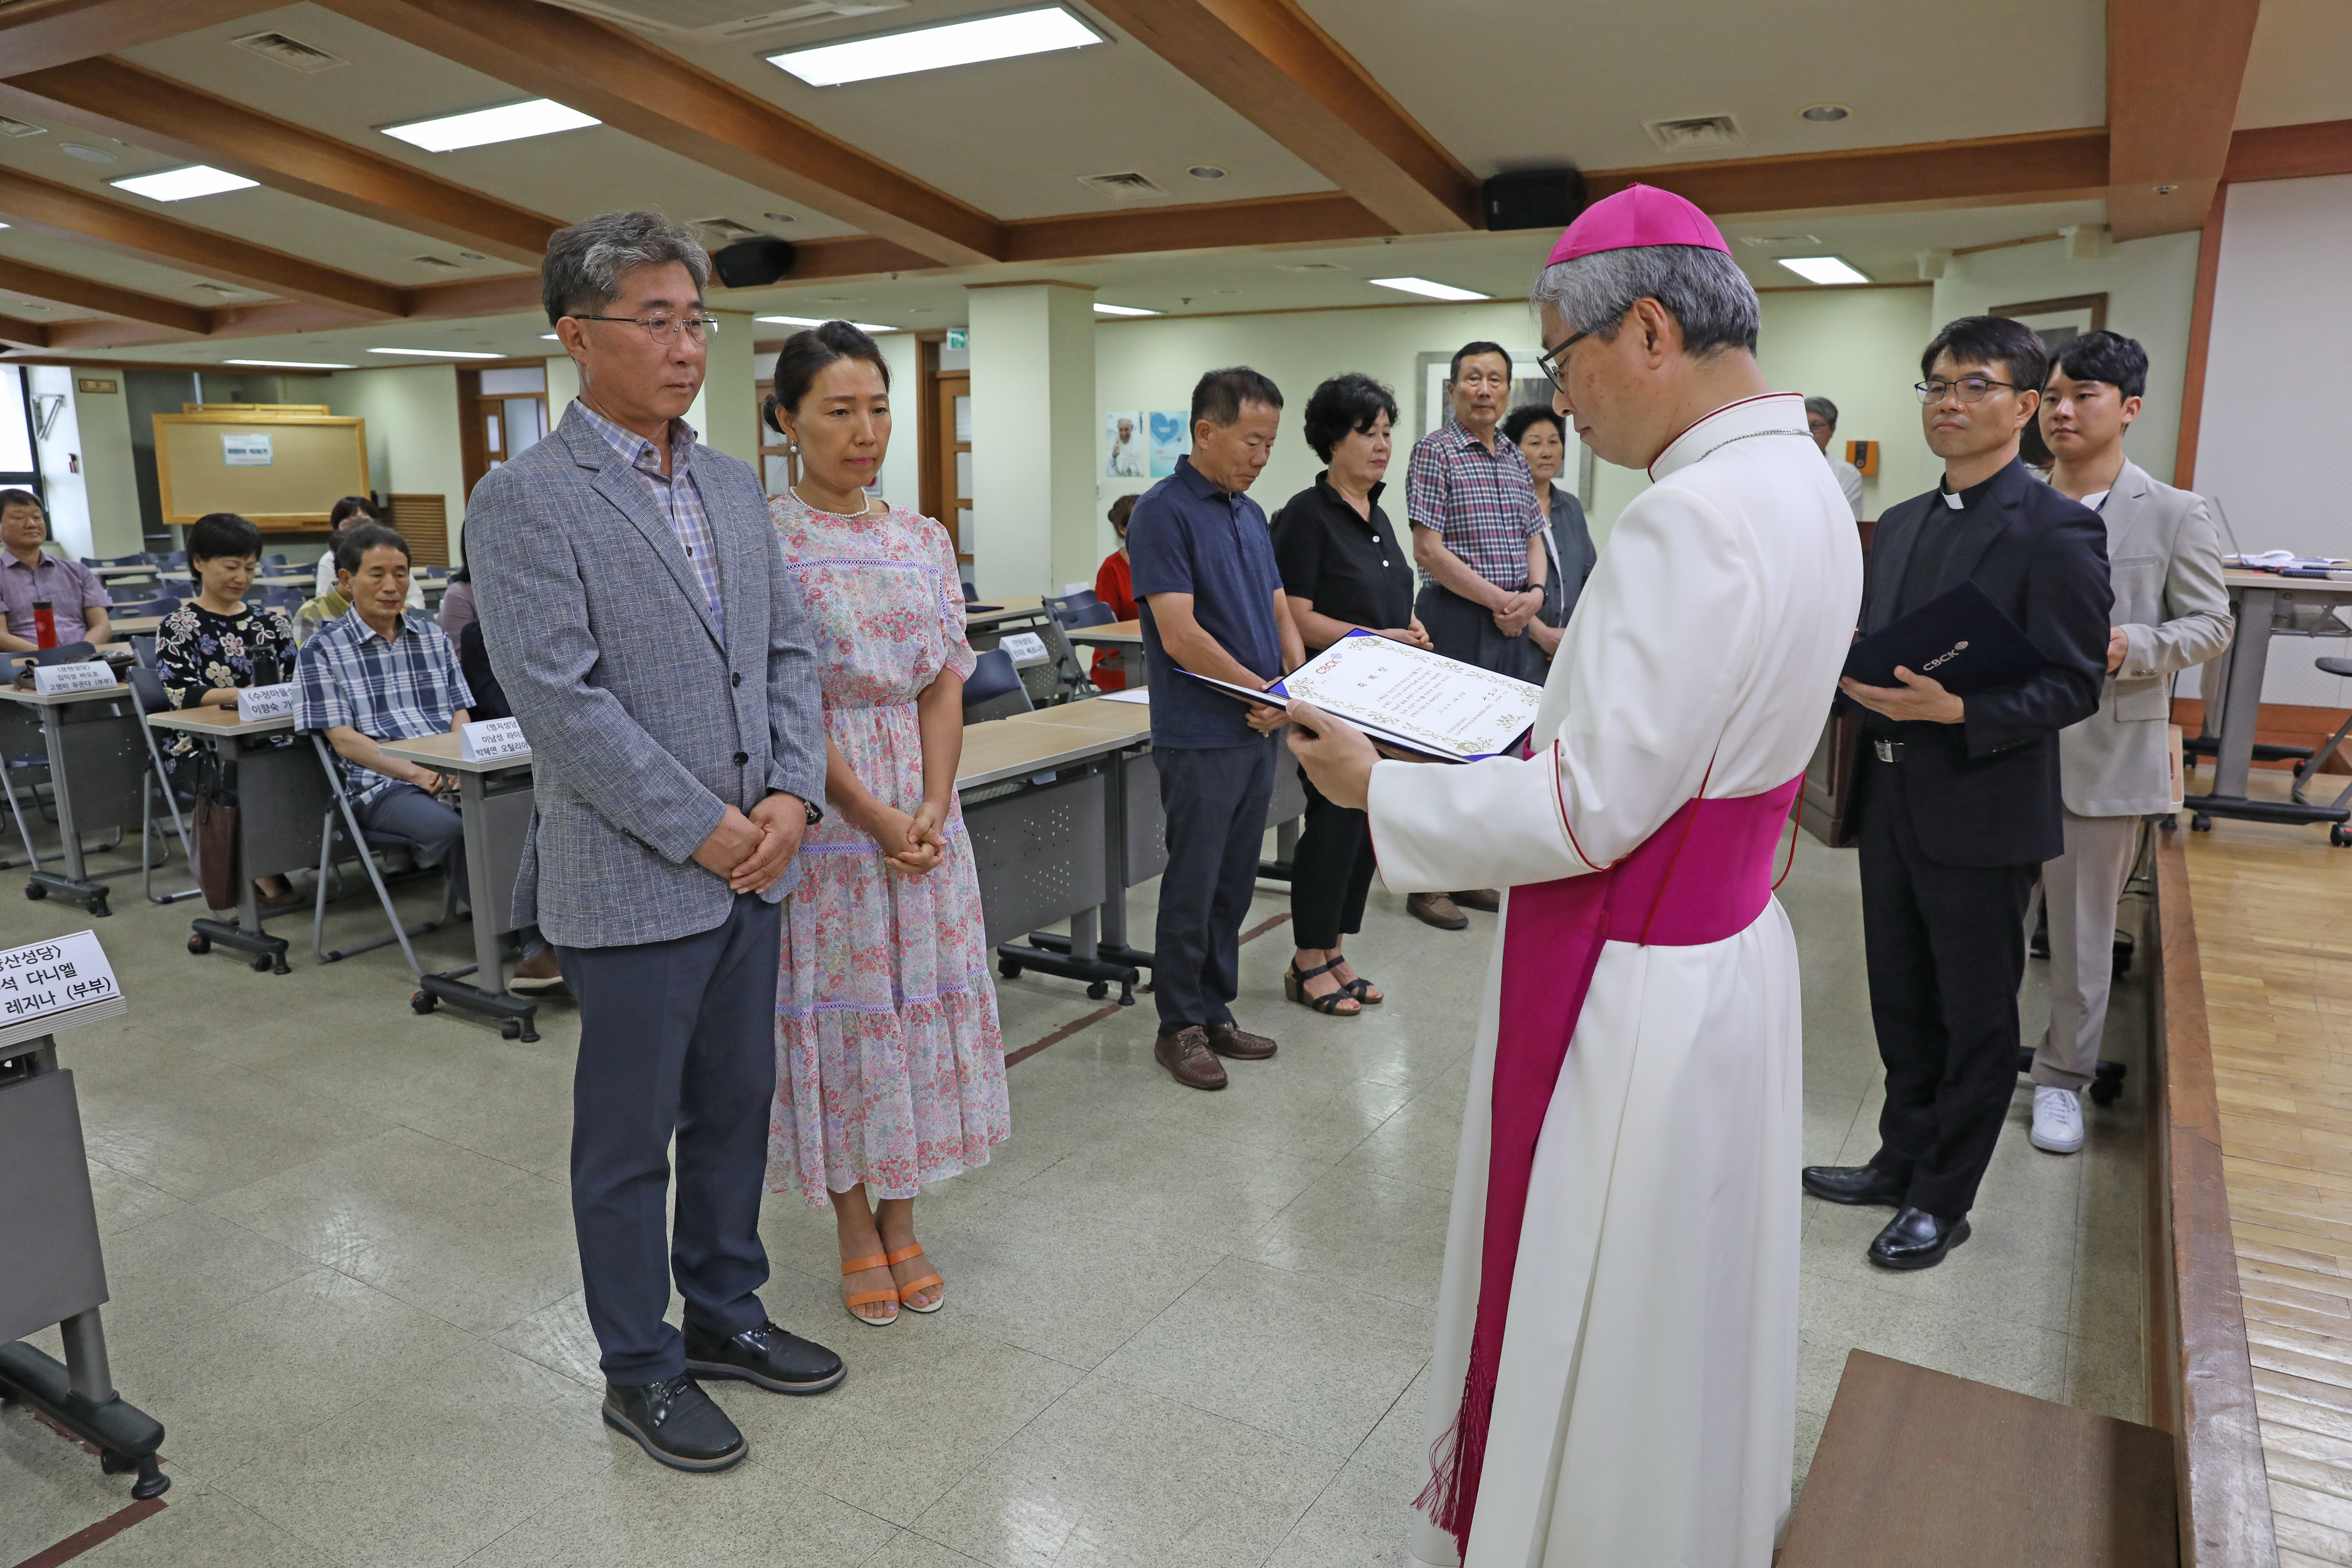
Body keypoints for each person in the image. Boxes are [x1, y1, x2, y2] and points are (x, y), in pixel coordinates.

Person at [1288, 184, 1858, 1568]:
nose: (1564, 400)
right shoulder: (1808, 486)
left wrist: (1379, 788)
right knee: (1691, 1303)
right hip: (1726, 949)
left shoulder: (1685, 519)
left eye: (1562, 359)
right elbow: (1674, 750)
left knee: (1601, 1300)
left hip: (1637, 987)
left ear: (1649, 329)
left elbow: (1593, 803)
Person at [468, 211, 842, 1473]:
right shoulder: (525, 499)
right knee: (628, 1143)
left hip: (759, 864)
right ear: (577, 337)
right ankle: (640, 1366)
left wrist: (790, 797)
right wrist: (709, 828)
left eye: (697, 320)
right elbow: (561, 703)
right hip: (633, 879)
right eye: (656, 320)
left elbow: (790, 650)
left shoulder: (736, 483)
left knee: (735, 1108)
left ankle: (725, 1312)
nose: (687, 346)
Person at [1802, 316, 2111, 1269]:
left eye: (1975, 385)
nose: (1949, 401)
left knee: (1975, 1013)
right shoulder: (1898, 524)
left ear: (2024, 407)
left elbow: (2073, 683)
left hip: (1982, 804)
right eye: (1936, 384)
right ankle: (1899, 1161)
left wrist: (1956, 711)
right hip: (1891, 800)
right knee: (1899, 997)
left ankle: (1946, 1198)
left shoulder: (2058, 528)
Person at [764, 321, 1009, 1327]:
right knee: (846, 1010)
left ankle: (905, 1216)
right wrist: (868, 814)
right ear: (787, 422)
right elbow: (785, 695)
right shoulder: (769, 539)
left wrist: (934, 805)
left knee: (918, 1008)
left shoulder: (921, 537)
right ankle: (854, 1225)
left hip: (920, 803)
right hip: (823, 808)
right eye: (839, 410)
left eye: (878, 409)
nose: (864, 432)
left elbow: (945, 681)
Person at [2027, 330, 2231, 1154]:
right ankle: (1970, 1070)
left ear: (2130, 409)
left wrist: (2132, 646)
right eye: (2050, 397)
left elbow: (2212, 622)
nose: (2063, 412)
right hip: (2003, 747)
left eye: (2083, 397)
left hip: (2105, 747)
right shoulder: (2016, 498)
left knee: (2080, 936)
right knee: (1987, 927)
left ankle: (2065, 1082)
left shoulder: (2177, 511)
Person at [294, 520, 565, 992]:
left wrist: (461, 764)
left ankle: (556, 933)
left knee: (527, 814)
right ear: (345, 581)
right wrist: (417, 774)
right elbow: (344, 741)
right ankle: (531, 945)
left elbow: (461, 715)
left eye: (401, 573)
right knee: (458, 831)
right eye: (376, 573)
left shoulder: (432, 637)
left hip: (454, 772)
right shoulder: (322, 650)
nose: (391, 585)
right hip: (378, 786)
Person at [1129, 366, 1303, 1091]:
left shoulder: (1248, 512)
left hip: (1258, 726)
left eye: (1270, 444)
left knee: (1234, 881)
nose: (1262, 457)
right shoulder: (1161, 512)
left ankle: (1215, 1006)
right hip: (1201, 730)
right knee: (1194, 881)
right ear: (1206, 431)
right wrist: (1260, 688)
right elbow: (1180, 634)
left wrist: (1295, 685)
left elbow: (1278, 607)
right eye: (1252, 441)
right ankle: (1179, 1025)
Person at [1269, 373, 1421, 1014]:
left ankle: (1334, 950)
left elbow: (1382, 599)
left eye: (1388, 432)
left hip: (1383, 695)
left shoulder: (1378, 513)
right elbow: (1297, 616)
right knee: (1332, 823)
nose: (1382, 444)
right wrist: (1374, 634)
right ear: (1334, 441)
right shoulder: (1307, 517)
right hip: (1331, 698)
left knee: (1366, 817)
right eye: (1368, 433)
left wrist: (1408, 629)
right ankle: (1306, 961)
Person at [1403, 342, 1546, 928]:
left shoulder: (1515, 457)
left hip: (1511, 619)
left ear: (1508, 390)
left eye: (1495, 379)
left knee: (1496, 755)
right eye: (1472, 379)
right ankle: (1427, 884)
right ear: (1453, 389)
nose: (1484, 389)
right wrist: (1499, 602)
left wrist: (1533, 596)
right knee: (1443, 755)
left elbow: (1534, 536)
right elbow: (1428, 550)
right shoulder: (1434, 453)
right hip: (1456, 618)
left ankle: (1470, 872)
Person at [153, 510, 302, 911]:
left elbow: (296, 681)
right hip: (203, 743)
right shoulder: (180, 626)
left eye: (250, 568)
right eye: (231, 566)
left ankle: (294, 855)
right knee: (247, 769)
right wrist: (241, 695)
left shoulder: (273, 624)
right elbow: (180, 693)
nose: (242, 577)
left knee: (314, 756)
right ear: (199, 562)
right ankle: (262, 868)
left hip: (272, 729)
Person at [1499, 404, 1597, 661]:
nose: (1547, 452)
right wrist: (1543, 635)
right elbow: (1495, 585)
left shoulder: (1571, 507)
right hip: (1516, 646)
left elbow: (1589, 578)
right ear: (1513, 452)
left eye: (1554, 442)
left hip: (1567, 651)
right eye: (1535, 443)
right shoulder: (1502, 507)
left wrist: (1574, 638)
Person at [0, 490, 108, 652]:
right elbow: (2, 636)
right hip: (25, 666)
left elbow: (102, 625)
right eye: (19, 518)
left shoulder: (78, 572)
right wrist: (50, 658)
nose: (32, 524)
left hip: (85, 661)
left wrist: (81, 654)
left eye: (37, 517)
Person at [312, 495, 421, 612]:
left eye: (366, 522)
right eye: (377, 575)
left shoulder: (393, 556)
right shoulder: (329, 560)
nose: (360, 529)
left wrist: (401, 612)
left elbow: (416, 598)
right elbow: (326, 602)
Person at [1090, 493, 1140, 690]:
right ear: (1123, 529)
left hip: (1156, 650)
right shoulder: (1111, 568)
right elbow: (1106, 626)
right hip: (1119, 655)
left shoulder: (1166, 562)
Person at [1805, 394, 1867, 519]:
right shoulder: (1779, 468)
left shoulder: (1848, 475)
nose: (1809, 432)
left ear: (1832, 430)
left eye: (1816, 426)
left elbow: (1848, 522)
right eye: (1804, 426)